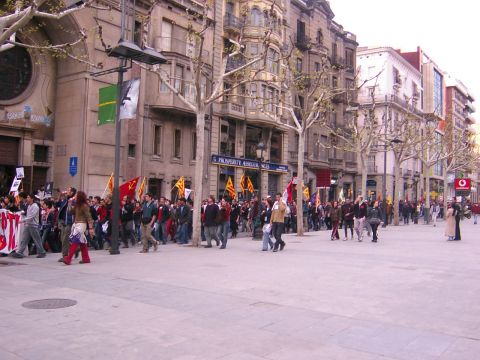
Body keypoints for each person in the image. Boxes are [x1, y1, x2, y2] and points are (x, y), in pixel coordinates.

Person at [11, 193, 47, 259]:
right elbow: (28, 215)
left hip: (33, 225)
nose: (27, 198)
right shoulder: (29, 206)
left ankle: (42, 252)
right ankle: (20, 252)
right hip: (28, 225)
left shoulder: (35, 206)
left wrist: (22, 221)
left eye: (28, 197)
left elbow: (31, 217)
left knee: (37, 239)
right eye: (27, 197)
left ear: (32, 199)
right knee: (24, 239)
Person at [63, 191, 94, 265]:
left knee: (75, 241)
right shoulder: (78, 205)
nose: (75, 197)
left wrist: (91, 228)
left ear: (79, 197)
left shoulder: (84, 206)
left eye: (76, 195)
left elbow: (89, 217)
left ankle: (69, 258)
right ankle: (86, 258)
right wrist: (70, 204)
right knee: (82, 242)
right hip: (77, 225)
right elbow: (70, 212)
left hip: (81, 225)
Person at [56, 187, 76, 262]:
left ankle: (65, 256)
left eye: (68, 190)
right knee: (62, 239)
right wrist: (60, 196)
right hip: (63, 222)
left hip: (69, 222)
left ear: (72, 192)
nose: (66, 191)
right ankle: (76, 249)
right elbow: (58, 205)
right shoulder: (65, 199)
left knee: (65, 239)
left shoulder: (74, 200)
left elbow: (73, 211)